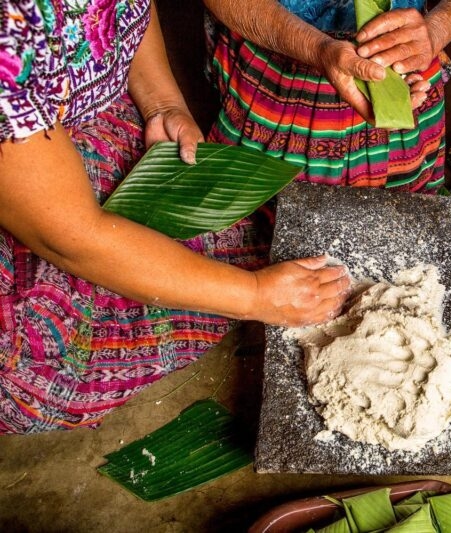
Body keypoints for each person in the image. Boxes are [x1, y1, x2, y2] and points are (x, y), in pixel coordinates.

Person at [0, 1, 352, 434]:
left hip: (80, 118)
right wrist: (256, 296)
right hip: (30, 173)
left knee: (230, 249)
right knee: (43, 367)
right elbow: (69, 236)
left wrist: (162, 104)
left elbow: (120, 11)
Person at [202, 0, 451, 192]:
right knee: (263, 208)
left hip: (404, 65)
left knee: (396, 226)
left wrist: (434, 31)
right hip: (274, 59)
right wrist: (315, 48)